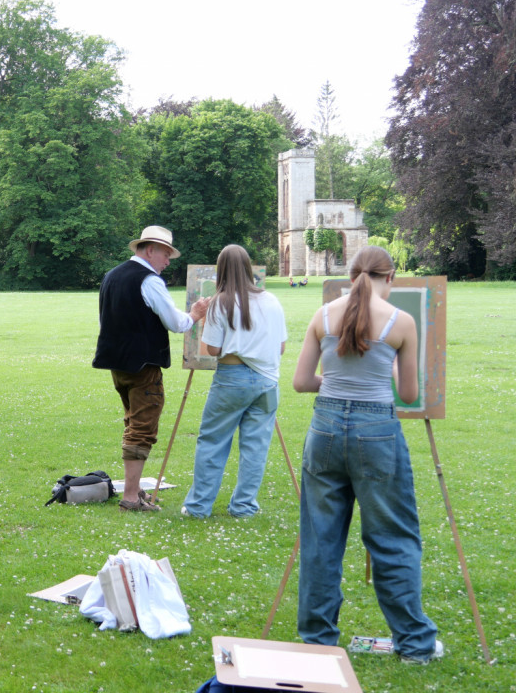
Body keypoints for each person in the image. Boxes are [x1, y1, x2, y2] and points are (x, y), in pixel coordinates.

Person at [292, 245, 441, 664]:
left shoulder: (323, 316)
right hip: (376, 431)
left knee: (320, 541)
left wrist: (336, 384)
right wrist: (387, 368)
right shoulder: (401, 321)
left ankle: (317, 642)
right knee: (392, 538)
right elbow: (409, 394)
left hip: (324, 429)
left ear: (351, 275)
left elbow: (302, 382)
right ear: (389, 277)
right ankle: (414, 644)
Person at [92, 226, 208, 512]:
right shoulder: (149, 280)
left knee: (134, 424)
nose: (168, 261)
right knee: (142, 429)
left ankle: (133, 490)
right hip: (143, 365)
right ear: (150, 249)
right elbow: (176, 323)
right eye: (166, 254)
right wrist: (195, 314)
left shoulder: (112, 275)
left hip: (118, 365)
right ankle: (131, 497)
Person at [181, 245, 287, 519]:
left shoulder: (221, 301)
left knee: (213, 441)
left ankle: (198, 507)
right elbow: (281, 347)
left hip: (232, 378)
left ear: (221, 270)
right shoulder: (272, 300)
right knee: (255, 447)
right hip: (267, 381)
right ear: (249, 268)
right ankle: (244, 507)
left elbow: (213, 349)